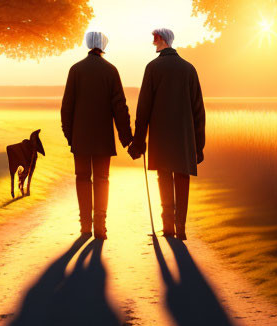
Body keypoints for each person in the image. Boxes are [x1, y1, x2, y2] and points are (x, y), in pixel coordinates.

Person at [128, 28, 205, 240]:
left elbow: (144, 108)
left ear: (163, 40)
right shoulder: (189, 69)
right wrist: (199, 145)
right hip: (184, 137)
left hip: (161, 137)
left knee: (163, 178)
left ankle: (168, 227)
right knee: (182, 178)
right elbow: (198, 110)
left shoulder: (152, 68)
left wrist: (138, 142)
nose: (153, 43)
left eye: (155, 39)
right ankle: (181, 228)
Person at [61, 31, 133, 239]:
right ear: (103, 46)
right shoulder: (111, 71)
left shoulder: (75, 70)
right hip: (103, 138)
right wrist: (126, 138)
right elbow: (120, 107)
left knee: (82, 178)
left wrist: (70, 135)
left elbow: (67, 107)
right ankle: (100, 225)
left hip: (80, 138)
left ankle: (85, 226)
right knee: (102, 179)